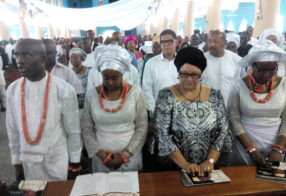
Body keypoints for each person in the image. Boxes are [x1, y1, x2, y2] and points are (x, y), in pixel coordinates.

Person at [6, 39, 82, 181]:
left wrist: (75, 161)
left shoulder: (63, 89)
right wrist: (16, 162)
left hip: (57, 162)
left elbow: (73, 130)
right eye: (17, 55)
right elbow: (12, 130)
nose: (20, 61)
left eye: (27, 55)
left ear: (43, 58)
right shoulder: (13, 90)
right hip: (27, 163)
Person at [152, 47, 231, 174]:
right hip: (174, 167)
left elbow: (224, 131)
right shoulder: (166, 96)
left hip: (209, 167)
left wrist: (210, 161)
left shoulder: (215, 96)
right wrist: (186, 165)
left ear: (201, 74)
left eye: (194, 74)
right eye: (184, 74)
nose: (189, 79)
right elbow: (163, 135)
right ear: (178, 73)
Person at [228, 39, 286, 166]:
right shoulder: (239, 85)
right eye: (262, 70)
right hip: (244, 144)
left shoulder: (285, 84)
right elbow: (233, 118)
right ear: (253, 66)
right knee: (245, 182)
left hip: (276, 145)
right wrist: (251, 149)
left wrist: (277, 148)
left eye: (272, 70)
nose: (267, 75)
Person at [81, 44, 147, 172]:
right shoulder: (92, 94)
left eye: (115, 78)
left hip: (130, 157)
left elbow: (142, 126)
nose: (110, 82)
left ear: (122, 75)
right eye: (106, 77)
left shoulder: (135, 93)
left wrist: (125, 155)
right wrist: (101, 155)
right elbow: (86, 128)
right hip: (101, 157)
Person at [201, 30, 242, 106]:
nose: (212, 44)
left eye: (216, 41)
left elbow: (240, 85)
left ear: (225, 43)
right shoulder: (200, 59)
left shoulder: (236, 60)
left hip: (229, 107)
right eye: (209, 41)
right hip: (206, 108)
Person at [142, 29, 178, 115]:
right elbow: (147, 90)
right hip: (158, 114)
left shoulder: (184, 62)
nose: (166, 44)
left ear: (175, 43)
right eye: (163, 42)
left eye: (169, 41)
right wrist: (156, 111)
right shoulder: (151, 63)